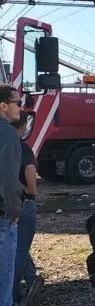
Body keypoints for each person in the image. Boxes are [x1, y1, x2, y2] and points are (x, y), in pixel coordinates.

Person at [12, 112, 44, 305]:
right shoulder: (22, 147)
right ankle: (12, 292)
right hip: (24, 203)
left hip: (6, 203)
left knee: (16, 245)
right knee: (21, 249)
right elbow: (30, 168)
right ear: (23, 127)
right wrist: (31, 188)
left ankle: (32, 280)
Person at [0, 84, 23, 305]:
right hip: (2, 216)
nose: (21, 108)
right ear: (3, 105)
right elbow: (7, 176)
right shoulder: (7, 132)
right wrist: (14, 209)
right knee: (3, 285)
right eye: (18, 103)